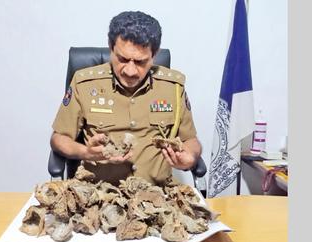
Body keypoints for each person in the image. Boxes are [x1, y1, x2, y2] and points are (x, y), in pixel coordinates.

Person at [51, 11, 201, 186]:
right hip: (99, 195)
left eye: (140, 62)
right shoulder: (84, 83)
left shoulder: (173, 87)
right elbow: (58, 138)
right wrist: (86, 152)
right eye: (122, 59)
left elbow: (190, 140)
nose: (130, 71)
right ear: (110, 47)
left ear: (154, 54)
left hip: (158, 196)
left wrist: (190, 157)